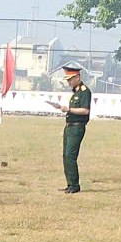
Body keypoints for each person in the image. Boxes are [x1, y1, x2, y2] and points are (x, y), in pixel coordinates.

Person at [51, 62, 91, 193]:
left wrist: (68, 109)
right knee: (65, 156)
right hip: (69, 127)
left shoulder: (85, 92)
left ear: (77, 77)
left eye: (70, 79)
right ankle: (70, 184)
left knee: (70, 155)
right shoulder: (75, 92)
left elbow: (85, 110)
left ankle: (75, 185)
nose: (68, 82)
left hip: (77, 127)